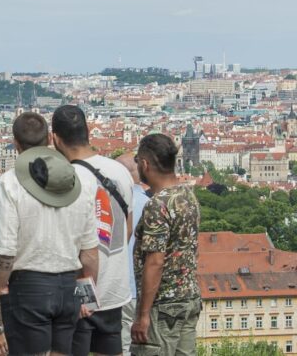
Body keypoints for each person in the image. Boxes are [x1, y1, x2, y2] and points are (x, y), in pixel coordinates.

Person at [0, 112, 99, 356]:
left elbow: (5, 253)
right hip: (69, 286)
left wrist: (1, 300)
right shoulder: (80, 179)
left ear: (15, 143)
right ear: (49, 139)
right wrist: (88, 299)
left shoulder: (9, 182)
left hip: (29, 287)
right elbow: (90, 253)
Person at [51, 105, 134, 356]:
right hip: (114, 289)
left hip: (78, 293)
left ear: (55, 138)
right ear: (88, 131)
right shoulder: (120, 170)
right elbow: (127, 227)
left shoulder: (67, 178)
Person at [131, 134, 201, 356]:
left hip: (162, 306)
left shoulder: (157, 205)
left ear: (145, 164)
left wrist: (143, 315)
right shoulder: (188, 196)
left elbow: (155, 262)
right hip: (189, 298)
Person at [115, 152, 151, 356]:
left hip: (119, 288)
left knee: (121, 347)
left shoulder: (108, 204)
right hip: (144, 288)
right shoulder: (149, 204)